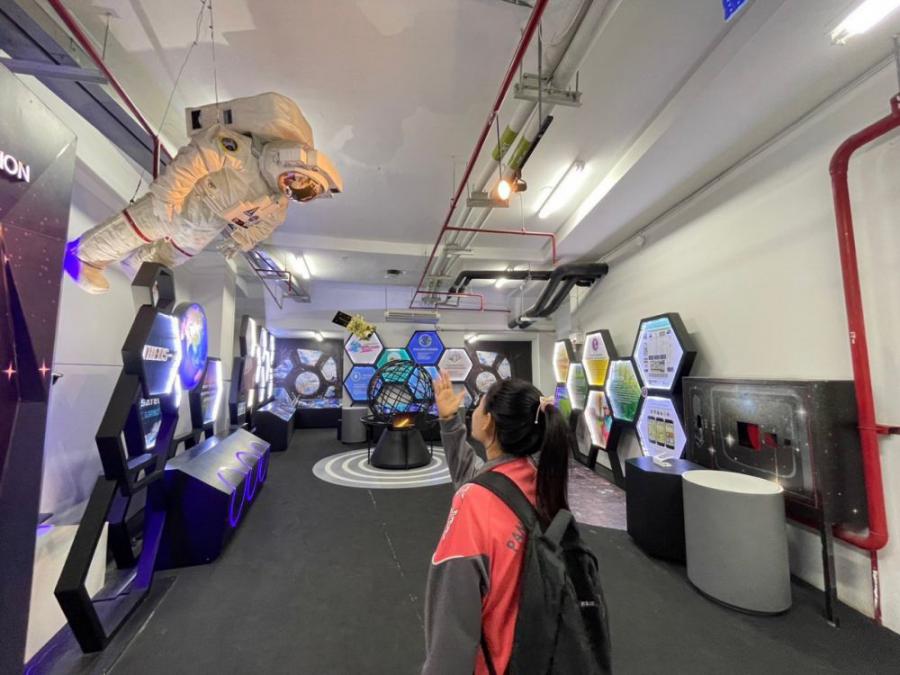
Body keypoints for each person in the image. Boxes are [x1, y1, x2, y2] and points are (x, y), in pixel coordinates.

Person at [64, 93, 342, 294]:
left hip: (210, 222)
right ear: (288, 159)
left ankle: (138, 266)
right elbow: (197, 157)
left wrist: (242, 239)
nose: (292, 189)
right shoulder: (245, 153)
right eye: (297, 181)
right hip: (185, 200)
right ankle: (83, 256)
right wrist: (169, 194)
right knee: (136, 229)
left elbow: (268, 223)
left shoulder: (277, 200)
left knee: (175, 254)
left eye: (302, 192)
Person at [422, 372, 572, 674]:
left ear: (489, 422)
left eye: (479, 404)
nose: (473, 410)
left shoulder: (474, 504)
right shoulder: (535, 478)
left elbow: (452, 632)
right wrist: (450, 421)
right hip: (537, 654)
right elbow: (475, 475)